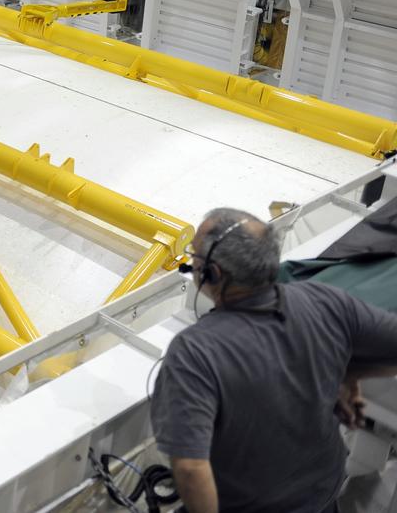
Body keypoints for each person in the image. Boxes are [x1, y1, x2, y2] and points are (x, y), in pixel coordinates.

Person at [150, 207, 397, 513]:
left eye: (196, 256)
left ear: (213, 273)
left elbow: (190, 468)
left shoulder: (195, 353)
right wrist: (352, 373)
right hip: (321, 499)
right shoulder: (325, 301)